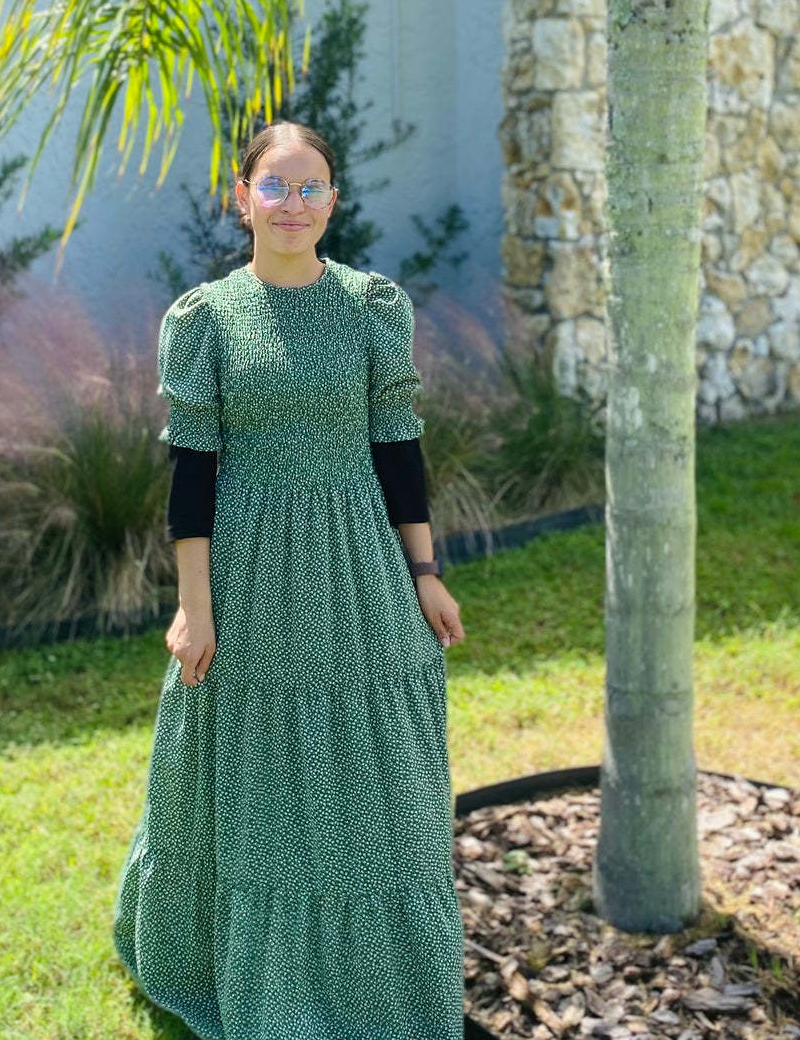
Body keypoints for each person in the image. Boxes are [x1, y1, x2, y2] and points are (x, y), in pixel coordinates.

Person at [113, 118, 468, 1040]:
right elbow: (191, 478)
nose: (293, 204)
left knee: (374, 768)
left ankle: (374, 977)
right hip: (248, 569)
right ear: (242, 198)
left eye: (310, 188)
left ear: (333, 202)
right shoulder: (207, 319)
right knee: (254, 755)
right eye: (275, 187)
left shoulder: (370, 307)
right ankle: (250, 972)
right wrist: (194, 610)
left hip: (359, 565)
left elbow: (398, 445)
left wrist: (423, 569)